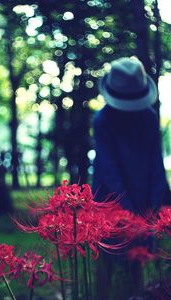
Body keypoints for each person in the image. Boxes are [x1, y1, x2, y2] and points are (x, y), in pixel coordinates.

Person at [92, 57, 170, 299]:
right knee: (107, 256)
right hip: (110, 199)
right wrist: (127, 209)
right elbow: (108, 168)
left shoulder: (148, 117)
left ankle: (135, 294)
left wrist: (155, 203)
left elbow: (156, 163)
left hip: (145, 194)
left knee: (139, 256)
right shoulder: (103, 120)